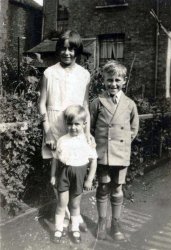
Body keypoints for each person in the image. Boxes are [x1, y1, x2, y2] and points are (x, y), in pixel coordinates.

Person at [39, 30, 91, 233]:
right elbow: (41, 104)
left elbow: (85, 104)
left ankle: (74, 215)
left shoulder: (84, 74)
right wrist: (48, 131)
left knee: (75, 169)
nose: (66, 52)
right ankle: (69, 217)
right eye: (63, 48)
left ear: (77, 51)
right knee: (57, 173)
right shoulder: (49, 73)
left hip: (76, 126)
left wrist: (87, 132)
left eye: (71, 49)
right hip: (54, 126)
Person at [90, 60, 139, 241]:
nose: (113, 84)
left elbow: (133, 129)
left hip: (121, 154)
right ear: (103, 80)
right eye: (109, 80)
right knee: (103, 187)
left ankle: (115, 225)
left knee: (117, 188)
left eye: (117, 80)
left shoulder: (129, 104)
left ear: (124, 81)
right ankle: (102, 223)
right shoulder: (97, 102)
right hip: (103, 154)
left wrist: (122, 144)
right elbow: (90, 128)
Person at [50, 105, 97, 243]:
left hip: (79, 175)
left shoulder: (87, 141)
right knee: (61, 204)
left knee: (75, 205)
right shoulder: (62, 140)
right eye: (70, 124)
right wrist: (53, 176)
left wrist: (89, 179)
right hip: (64, 174)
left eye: (77, 124)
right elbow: (55, 160)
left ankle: (74, 229)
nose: (73, 127)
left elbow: (93, 161)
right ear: (66, 124)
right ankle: (59, 229)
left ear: (84, 124)